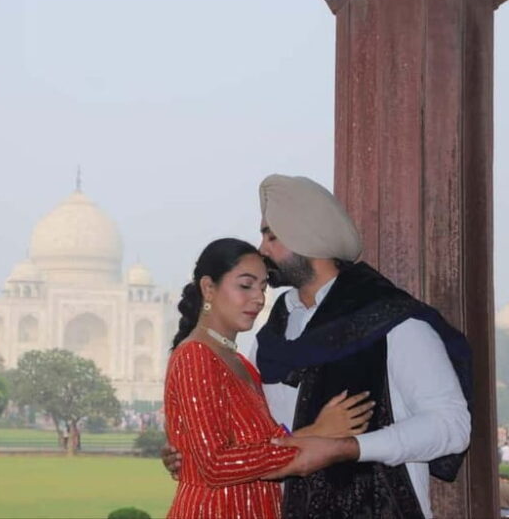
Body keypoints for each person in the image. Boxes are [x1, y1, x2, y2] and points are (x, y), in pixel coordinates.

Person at [163, 175, 471, 519]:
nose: (262, 250)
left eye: (272, 236)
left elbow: (451, 426)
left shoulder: (390, 320)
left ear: (307, 237)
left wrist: (348, 448)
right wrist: (191, 452)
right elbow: (255, 441)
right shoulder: (274, 333)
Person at [164, 238, 374, 519]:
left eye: (263, 287)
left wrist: (317, 431)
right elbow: (215, 466)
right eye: (245, 285)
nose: (259, 298)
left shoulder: (241, 364)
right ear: (208, 288)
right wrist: (314, 442)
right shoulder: (196, 356)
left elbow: (266, 445)